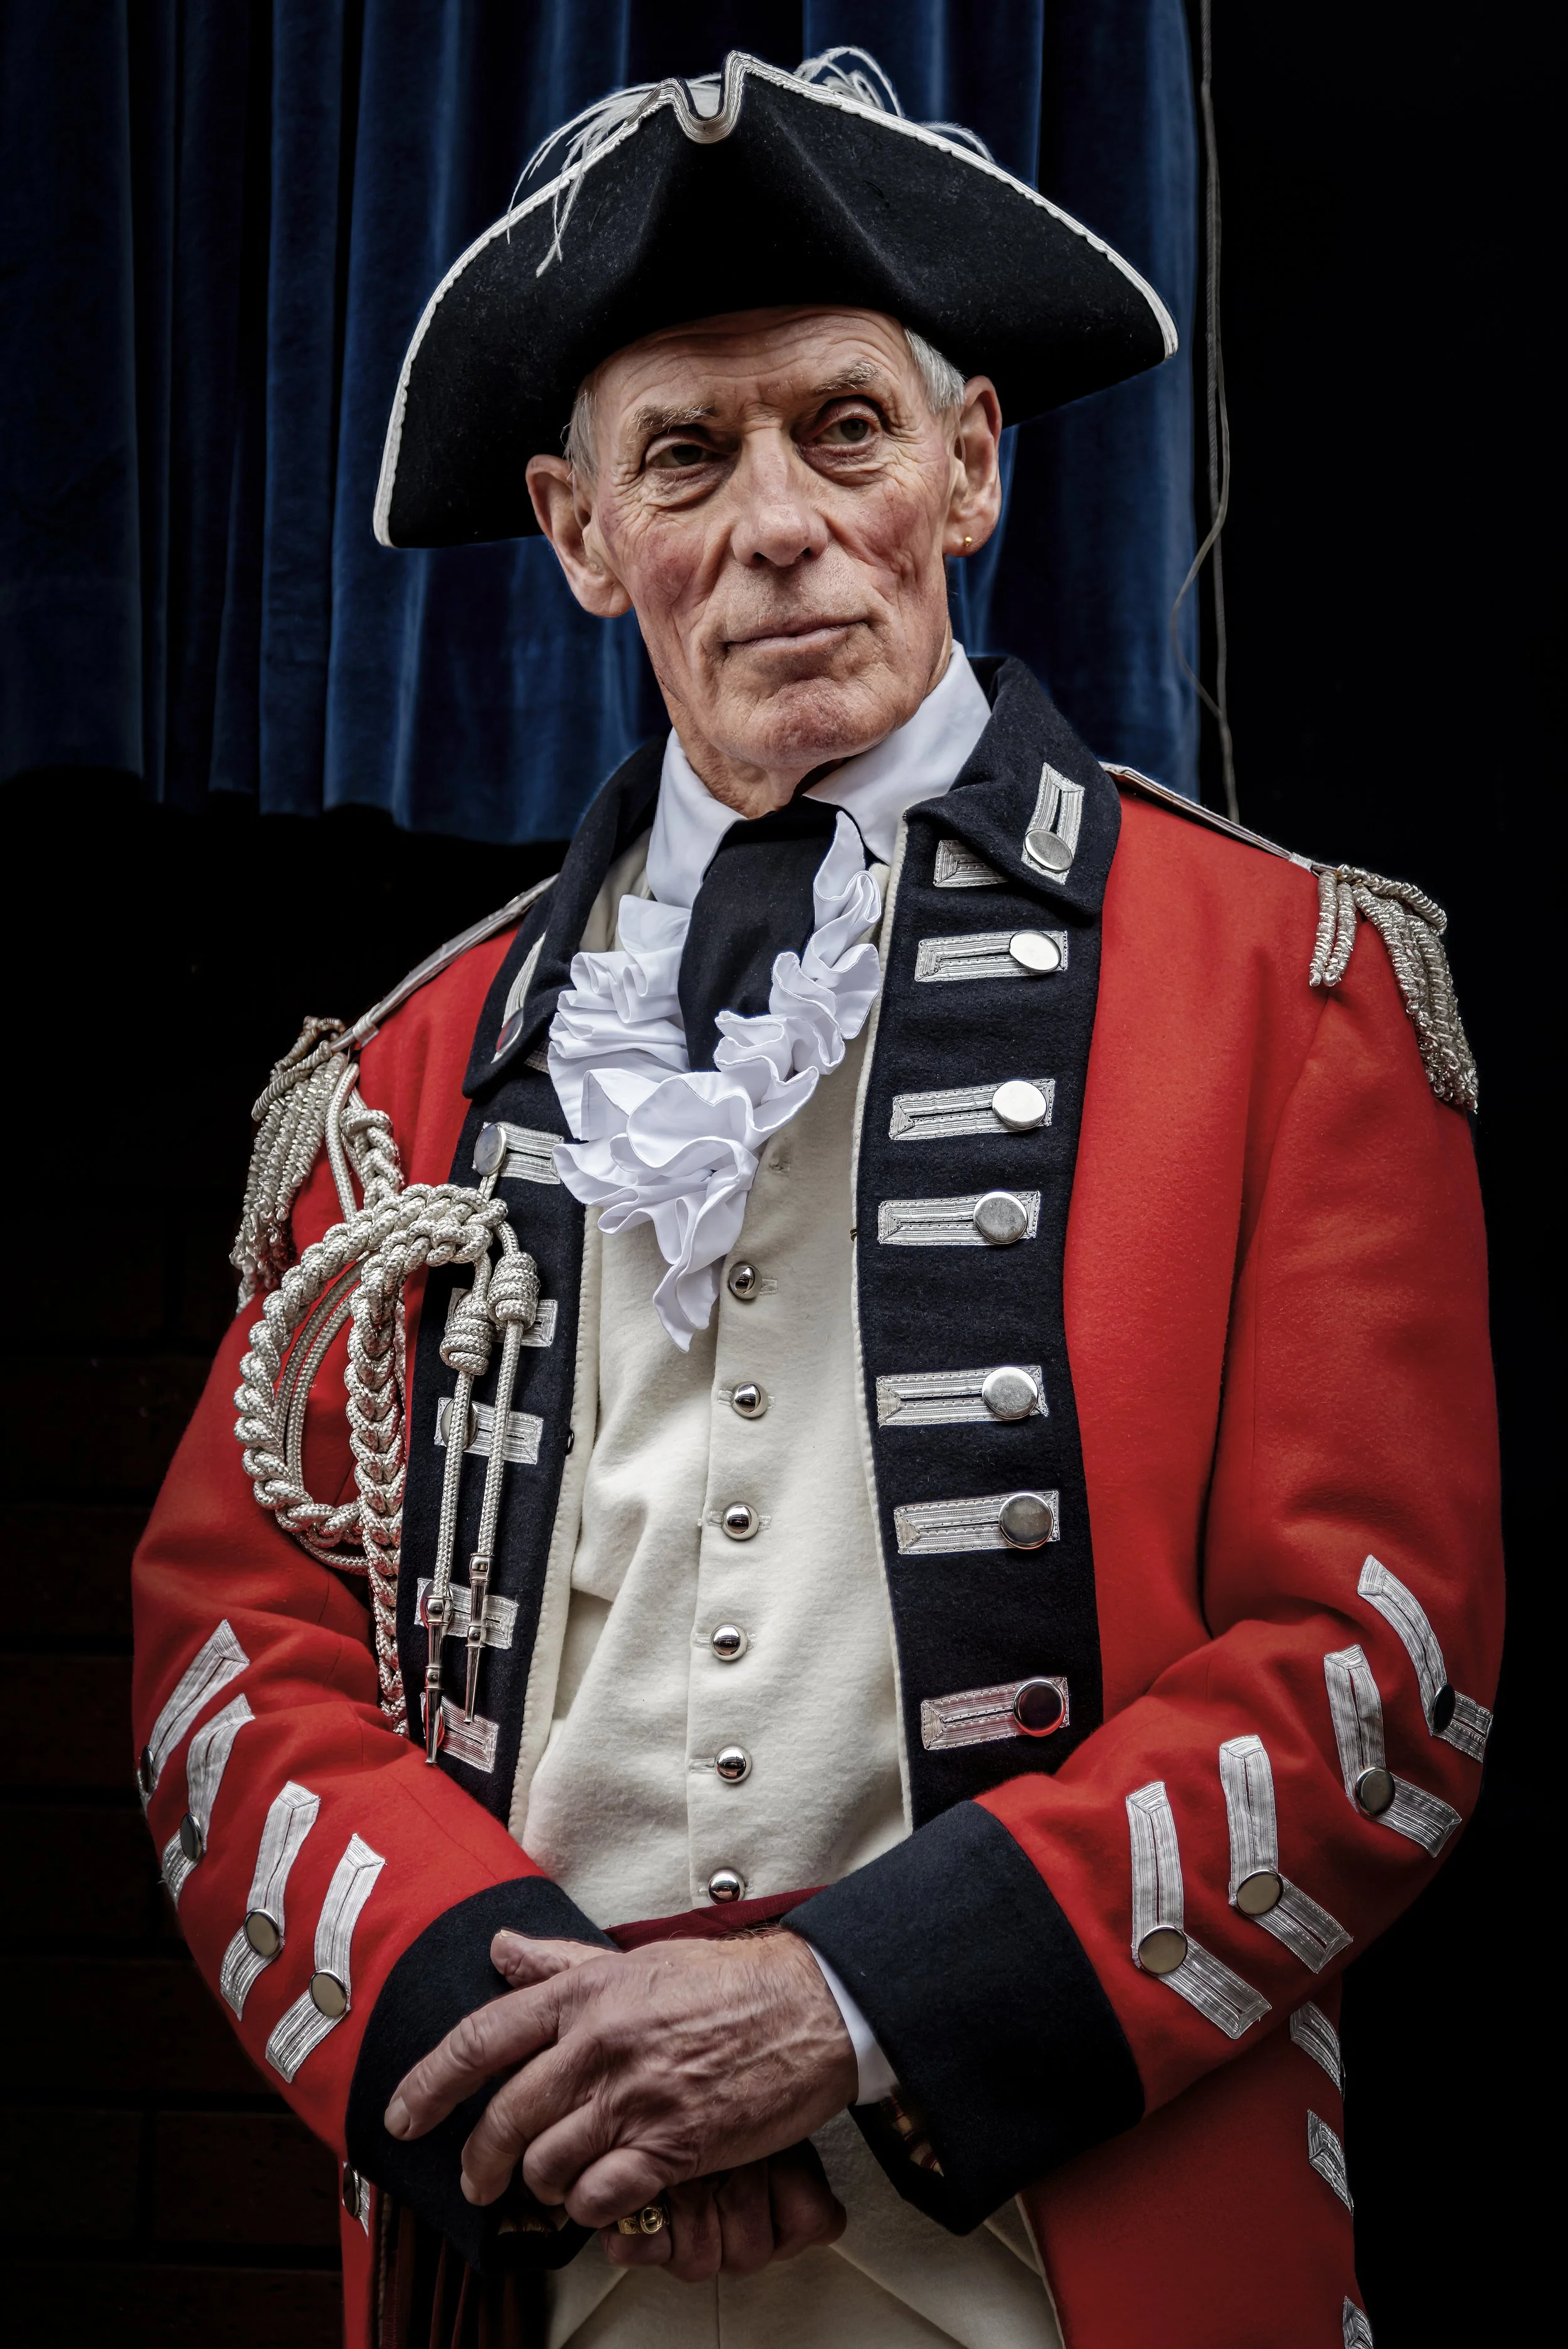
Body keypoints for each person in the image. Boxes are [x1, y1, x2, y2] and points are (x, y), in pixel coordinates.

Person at [132, 49, 1500, 2349]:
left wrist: (847, 2019)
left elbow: (1375, 1656)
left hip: (1072, 2255)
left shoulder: (1293, 987)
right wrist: (527, 2062)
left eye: (844, 430)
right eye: (687, 455)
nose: (777, 522)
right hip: (542, 2248)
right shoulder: (400, 1077)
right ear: (580, 535)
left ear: (968, 469)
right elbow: (227, 1661)